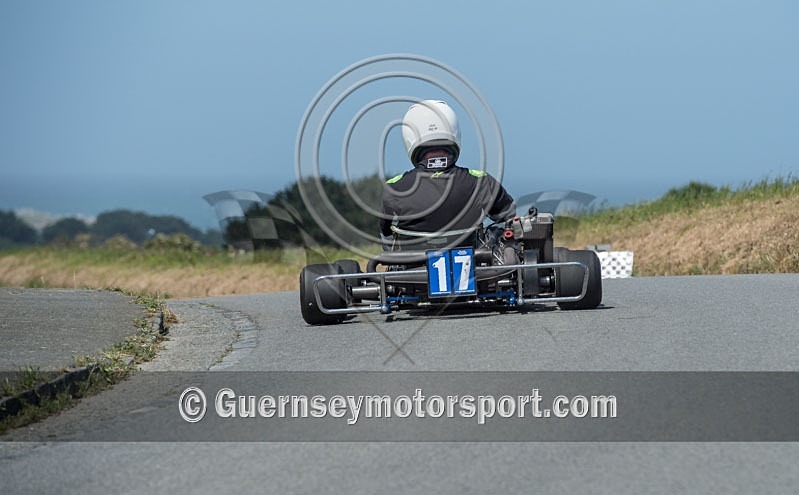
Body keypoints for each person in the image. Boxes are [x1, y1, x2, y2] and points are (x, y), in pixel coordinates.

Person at [380, 100, 516, 247]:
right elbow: (509, 218)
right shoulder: (480, 182)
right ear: (454, 130)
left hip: (412, 266)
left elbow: (386, 234)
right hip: (473, 265)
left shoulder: (395, 188)